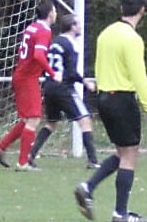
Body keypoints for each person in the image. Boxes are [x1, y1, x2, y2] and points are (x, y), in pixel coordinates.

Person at [74, 0, 147, 222]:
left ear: (121, 8)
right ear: (142, 10)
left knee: (122, 152)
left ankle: (88, 187)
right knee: (130, 155)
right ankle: (120, 213)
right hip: (122, 98)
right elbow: (138, 76)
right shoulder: (132, 38)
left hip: (103, 98)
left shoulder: (106, 34)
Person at [0, 0, 61, 171]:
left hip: (21, 75)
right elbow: (38, 55)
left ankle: (1, 147)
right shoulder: (44, 30)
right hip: (27, 78)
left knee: (27, 119)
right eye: (55, 11)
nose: (56, 14)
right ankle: (23, 163)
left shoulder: (32, 27)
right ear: (50, 13)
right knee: (34, 119)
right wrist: (53, 73)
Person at [27, 14, 100, 169]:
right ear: (72, 27)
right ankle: (93, 160)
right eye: (78, 24)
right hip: (63, 88)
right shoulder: (71, 44)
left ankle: (30, 155)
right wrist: (85, 82)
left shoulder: (54, 42)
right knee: (85, 120)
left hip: (49, 86)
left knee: (51, 123)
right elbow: (71, 73)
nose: (80, 27)